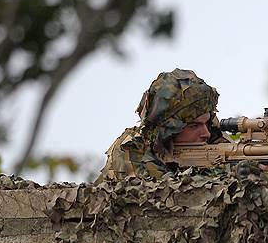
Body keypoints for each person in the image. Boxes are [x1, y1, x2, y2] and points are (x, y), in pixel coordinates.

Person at [96, 69, 224, 181]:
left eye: (206, 123)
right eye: (194, 126)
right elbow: (165, 196)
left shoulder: (215, 143)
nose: (206, 133)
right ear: (167, 130)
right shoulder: (132, 150)